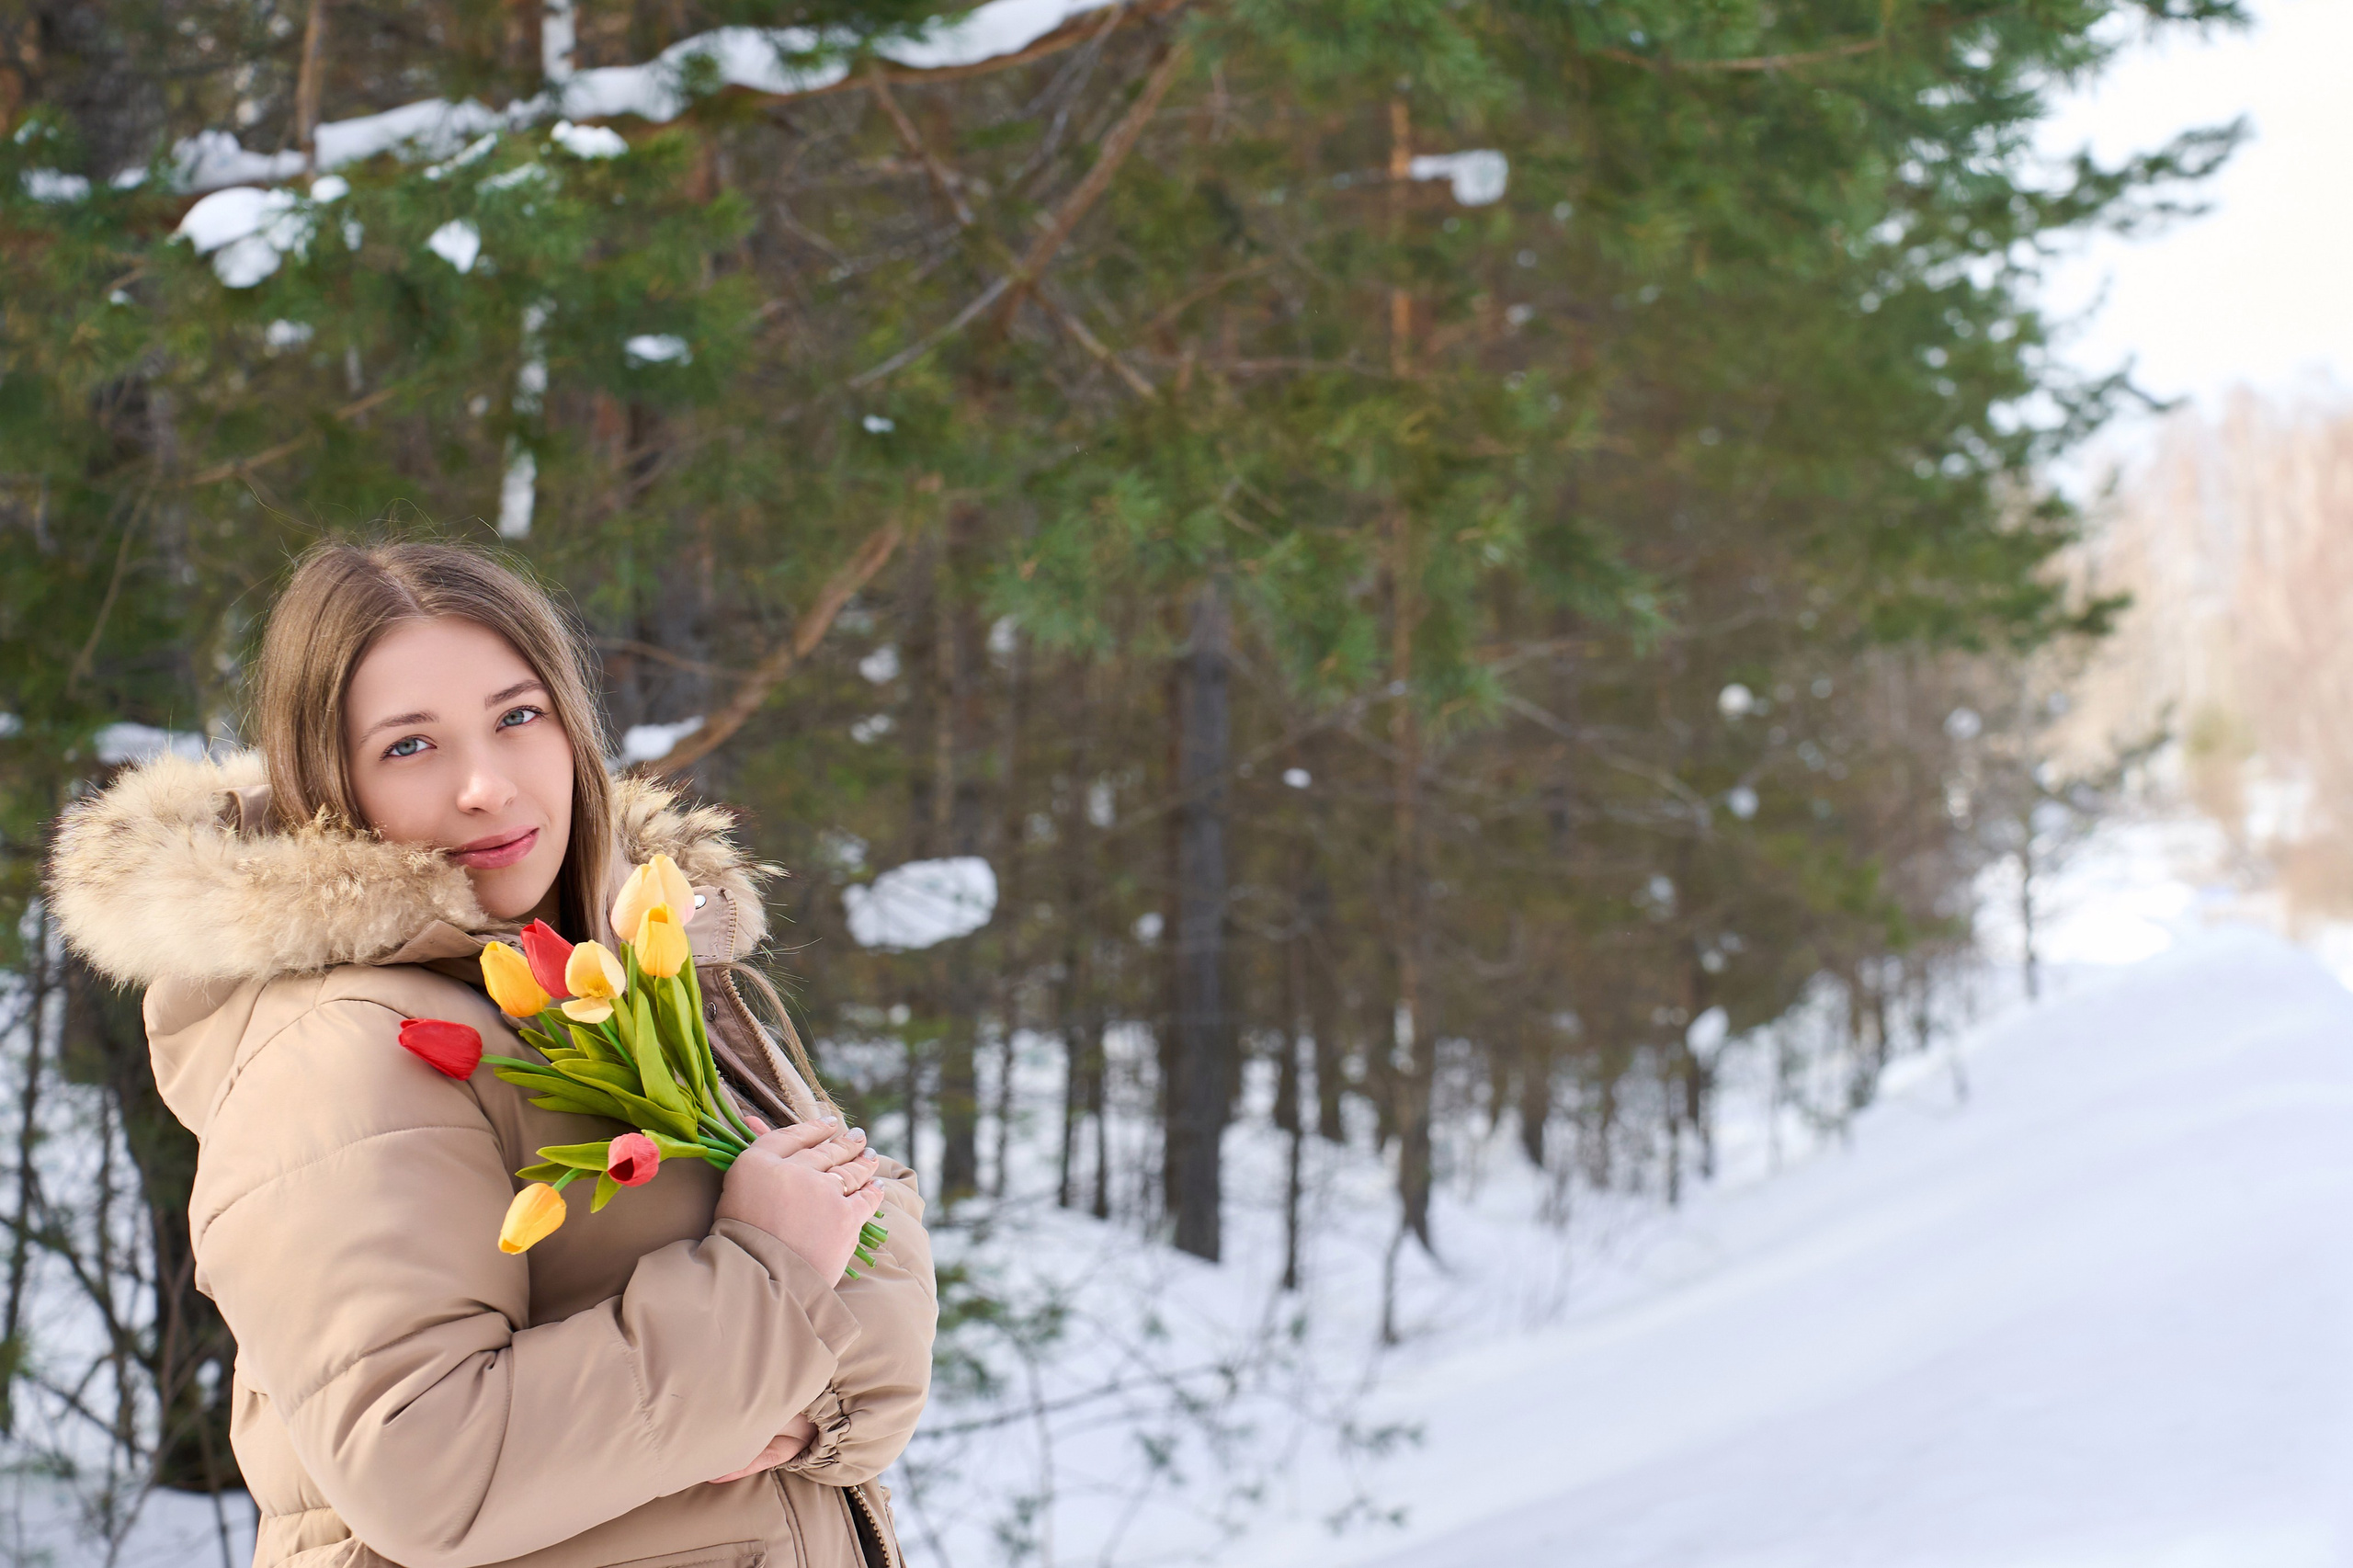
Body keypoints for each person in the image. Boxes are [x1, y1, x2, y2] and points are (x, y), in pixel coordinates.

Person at [48, 540, 933, 1568]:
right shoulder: (337, 1049)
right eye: (410, 746)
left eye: (517, 717)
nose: (484, 785)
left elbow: (880, 1292)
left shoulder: (647, 967)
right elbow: (426, 1471)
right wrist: (766, 1286)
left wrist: (787, 1370)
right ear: (325, 782)